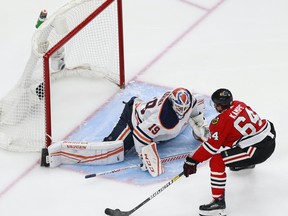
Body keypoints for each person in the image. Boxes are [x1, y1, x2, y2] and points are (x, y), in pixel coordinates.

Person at [183, 88, 276, 216]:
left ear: (219, 106)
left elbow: (211, 148)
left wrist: (192, 160)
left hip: (257, 151)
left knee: (217, 160)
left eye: (216, 104)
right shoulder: (239, 104)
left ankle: (218, 204)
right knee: (232, 148)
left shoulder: (220, 122)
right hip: (269, 137)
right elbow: (232, 137)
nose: (215, 106)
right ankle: (244, 163)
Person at [103, 87, 210, 177]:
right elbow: (139, 133)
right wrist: (144, 156)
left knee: (172, 128)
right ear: (172, 101)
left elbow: (193, 107)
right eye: (179, 107)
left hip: (152, 125)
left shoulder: (190, 100)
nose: (182, 111)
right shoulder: (161, 118)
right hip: (134, 119)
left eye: (184, 108)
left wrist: (199, 123)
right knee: (116, 150)